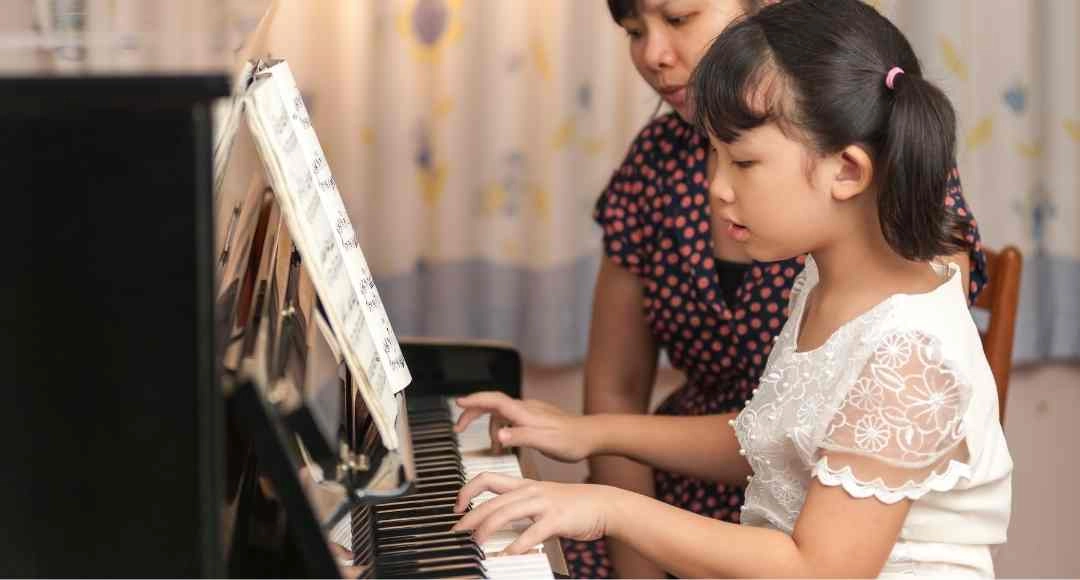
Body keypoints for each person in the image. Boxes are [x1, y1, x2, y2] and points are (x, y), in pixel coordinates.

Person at [448, 0, 1012, 577]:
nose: (715, 188)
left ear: (847, 171)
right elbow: (772, 440)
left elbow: (817, 570)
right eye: (713, 157)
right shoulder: (824, 281)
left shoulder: (908, 351)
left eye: (741, 162)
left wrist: (612, 507)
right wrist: (588, 432)